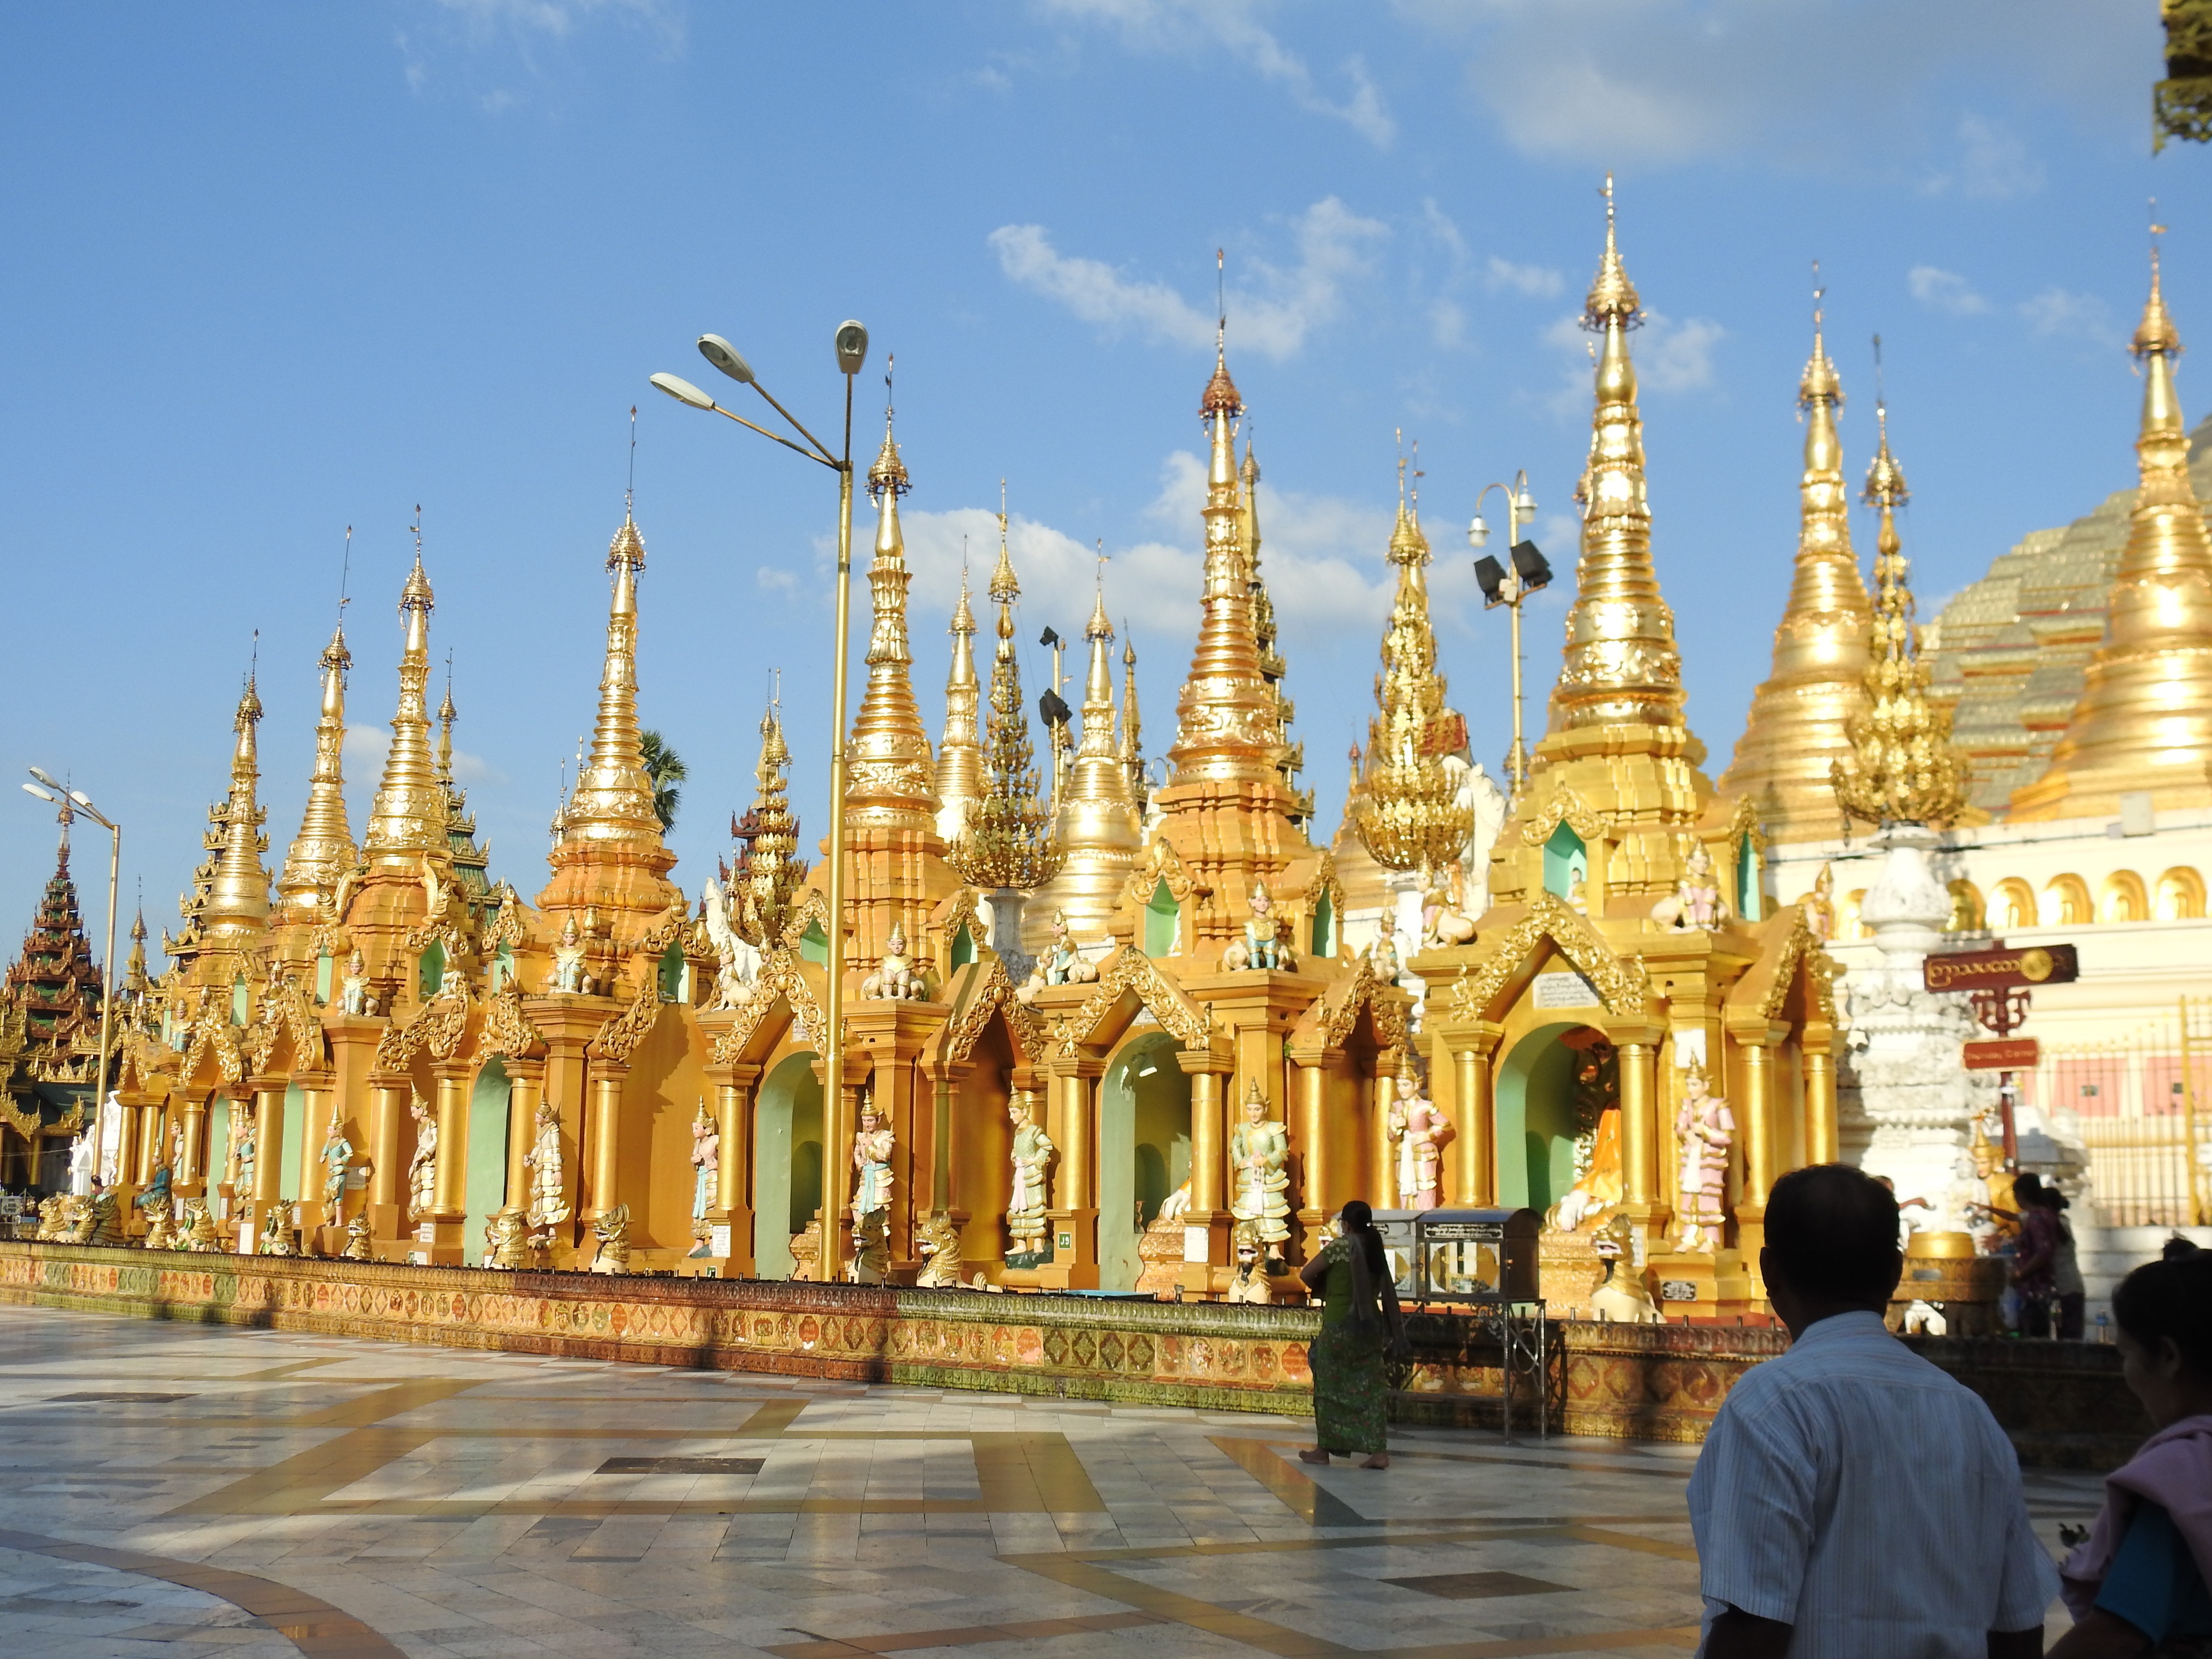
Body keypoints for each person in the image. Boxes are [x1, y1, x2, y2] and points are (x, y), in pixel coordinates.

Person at [1687, 1164, 2056, 1658]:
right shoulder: (1970, 1414)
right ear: (1895, 1272)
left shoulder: (1773, 1404)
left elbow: (1754, 1623)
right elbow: (2017, 1626)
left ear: (1769, 1271)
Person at [2050, 1250, 2212, 1657]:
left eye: (2126, 1354)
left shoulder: (2182, 1475)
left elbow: (2118, 1631)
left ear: (2169, 1356)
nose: (2127, 1375)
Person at [1297, 1200, 1405, 1471]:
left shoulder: (1340, 1248)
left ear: (1345, 1223)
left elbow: (1307, 1273)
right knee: (1371, 1389)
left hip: (1339, 1325)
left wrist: (1326, 1286)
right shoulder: (1374, 1249)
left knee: (1329, 1388)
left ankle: (1324, 1450)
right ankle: (1379, 1453)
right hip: (1369, 1327)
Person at [2034, 1183, 2086, 1341]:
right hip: (2071, 1286)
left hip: (2066, 1287)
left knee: (2068, 1338)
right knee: (2071, 1335)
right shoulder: (2064, 1222)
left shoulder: (2055, 1224)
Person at [2014, 1173, 2061, 1338]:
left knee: (2033, 1338)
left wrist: (2021, 1274)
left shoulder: (2037, 1218)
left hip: (2037, 1289)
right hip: (2042, 1287)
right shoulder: (2047, 1215)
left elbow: (2044, 1252)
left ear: (2020, 1195)